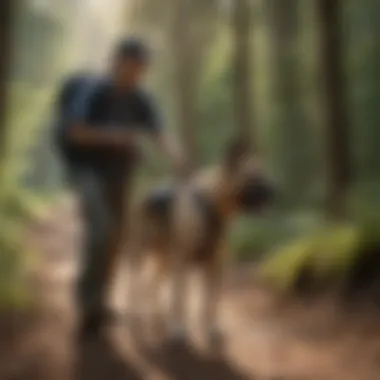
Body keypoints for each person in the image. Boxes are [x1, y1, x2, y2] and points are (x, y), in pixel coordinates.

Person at [55, 37, 184, 338]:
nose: (139, 72)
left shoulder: (141, 98)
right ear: (117, 62)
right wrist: (114, 137)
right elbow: (75, 133)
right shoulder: (92, 91)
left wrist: (178, 158)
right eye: (134, 65)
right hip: (86, 170)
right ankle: (88, 307)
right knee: (100, 230)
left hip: (120, 175)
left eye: (143, 67)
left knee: (116, 238)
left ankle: (102, 302)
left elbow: (159, 131)